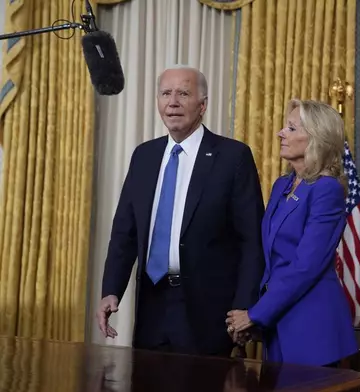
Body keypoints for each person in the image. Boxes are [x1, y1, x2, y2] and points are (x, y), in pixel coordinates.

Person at [96, 65, 265, 356]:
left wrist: (244, 305)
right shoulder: (144, 156)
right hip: (152, 304)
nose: (172, 102)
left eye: (183, 93)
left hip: (207, 311)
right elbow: (125, 231)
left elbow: (252, 239)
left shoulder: (233, 157)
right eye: (165, 93)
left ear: (202, 105)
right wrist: (111, 289)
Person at [225, 99, 358, 367]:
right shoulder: (282, 186)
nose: (280, 133)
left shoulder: (327, 190)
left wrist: (255, 314)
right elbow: (271, 260)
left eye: (292, 128)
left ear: (317, 139)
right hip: (279, 321)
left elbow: (305, 267)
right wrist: (258, 317)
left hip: (311, 327)